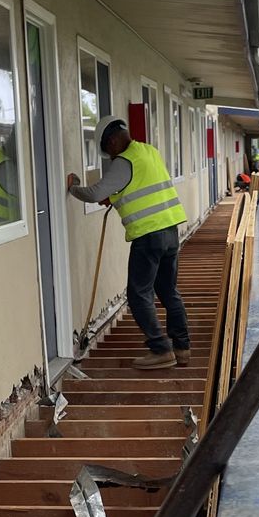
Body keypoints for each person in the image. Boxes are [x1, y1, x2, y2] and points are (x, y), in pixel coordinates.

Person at [66, 115, 190, 370]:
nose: (110, 157)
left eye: (108, 151)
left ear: (112, 141)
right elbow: (142, 184)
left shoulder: (124, 161)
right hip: (170, 231)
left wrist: (74, 187)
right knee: (168, 291)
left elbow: (94, 193)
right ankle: (182, 348)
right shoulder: (148, 151)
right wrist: (114, 197)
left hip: (149, 236)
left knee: (138, 295)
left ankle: (161, 349)